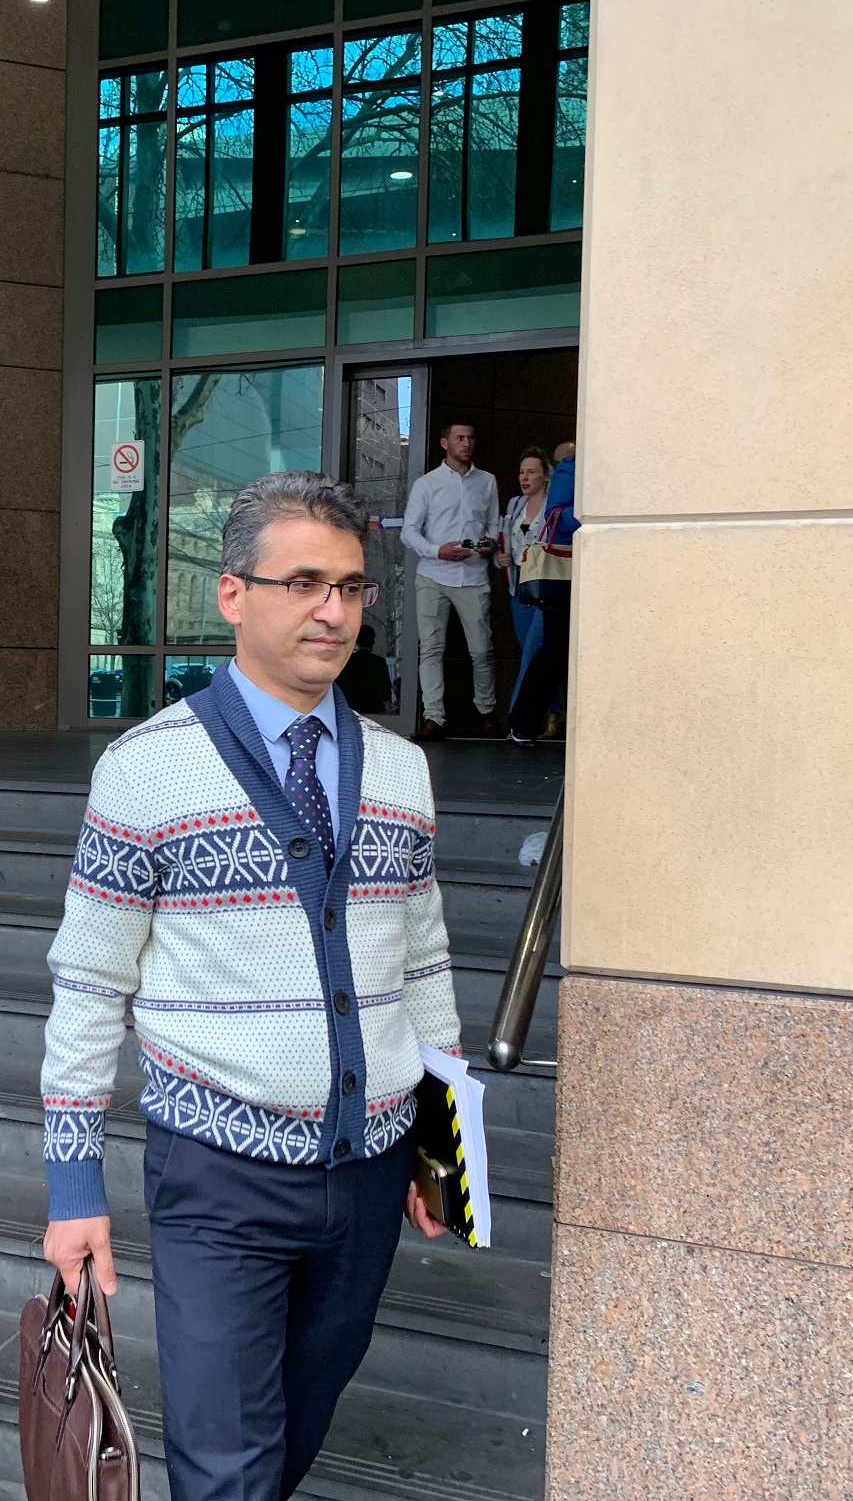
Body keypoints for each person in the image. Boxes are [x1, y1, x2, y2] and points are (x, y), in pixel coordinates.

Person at [40, 472, 462, 1501]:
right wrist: (73, 1185)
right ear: (233, 595)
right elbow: (90, 983)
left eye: (355, 588)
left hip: (368, 1172)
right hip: (217, 1173)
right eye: (305, 583)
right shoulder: (146, 768)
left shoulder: (401, 769)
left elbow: (425, 965)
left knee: (287, 1443)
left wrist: (450, 1151)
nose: (334, 612)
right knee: (224, 1464)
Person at [399, 422, 501, 740]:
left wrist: (490, 542)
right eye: (460, 438)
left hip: (472, 575)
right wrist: (437, 551)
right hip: (432, 575)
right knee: (431, 649)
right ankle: (434, 717)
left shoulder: (487, 481)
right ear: (445, 443)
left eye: (471, 437)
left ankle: (487, 713)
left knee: (482, 651)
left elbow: (494, 523)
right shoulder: (427, 484)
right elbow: (408, 531)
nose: (466, 443)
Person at [507, 446, 579, 748]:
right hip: (562, 575)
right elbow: (557, 517)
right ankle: (523, 721)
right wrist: (594, 519)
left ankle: (529, 720)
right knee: (551, 650)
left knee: (555, 650)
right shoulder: (569, 468)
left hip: (592, 572)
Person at [499, 448, 554, 718]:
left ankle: (518, 717)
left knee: (533, 653)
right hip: (518, 588)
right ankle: (552, 712)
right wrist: (502, 557)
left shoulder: (553, 505)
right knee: (528, 652)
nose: (524, 477)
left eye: (531, 472)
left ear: (545, 475)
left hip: (544, 588)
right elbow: (506, 538)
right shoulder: (514, 504)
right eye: (521, 472)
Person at [335, 623, 394, 714]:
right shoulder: (378, 662)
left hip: (350, 710)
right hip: (375, 711)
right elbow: (385, 692)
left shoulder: (346, 661)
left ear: (357, 641)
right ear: (372, 642)